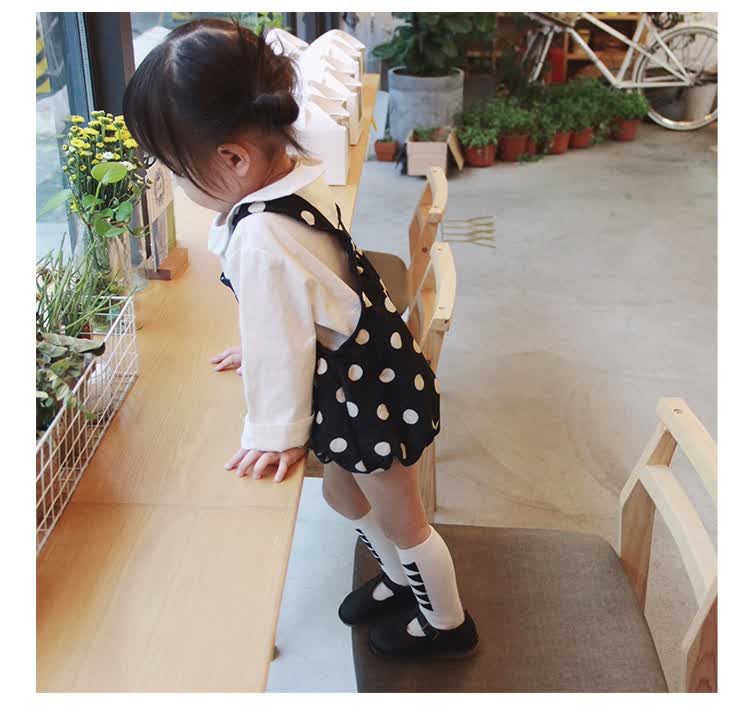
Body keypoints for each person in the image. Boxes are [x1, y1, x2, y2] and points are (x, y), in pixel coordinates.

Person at [123, 18, 478, 659]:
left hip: (367, 391)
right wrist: (258, 348)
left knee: (404, 517)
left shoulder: (259, 236)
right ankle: (401, 580)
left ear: (232, 158)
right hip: (361, 366)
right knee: (342, 492)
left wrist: (275, 435)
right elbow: (296, 306)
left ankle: (448, 625)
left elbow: (282, 333)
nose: (175, 185)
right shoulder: (294, 169)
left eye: (176, 171)